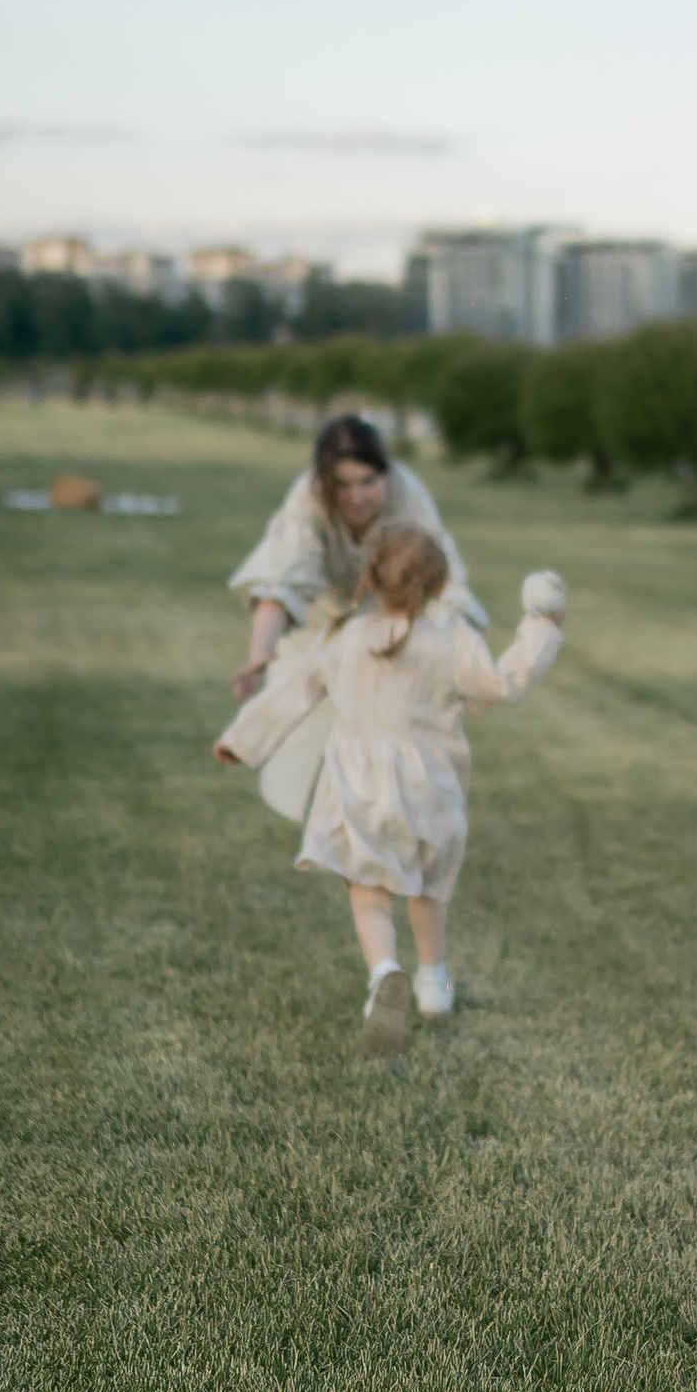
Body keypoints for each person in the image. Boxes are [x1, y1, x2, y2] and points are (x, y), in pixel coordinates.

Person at [217, 523, 567, 1054]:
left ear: (371, 579)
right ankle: (432, 982)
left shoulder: (342, 638)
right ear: (437, 583)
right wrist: (542, 626)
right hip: (431, 787)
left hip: (359, 788)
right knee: (429, 886)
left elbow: (293, 692)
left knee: (368, 889)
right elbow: (505, 684)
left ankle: (384, 971)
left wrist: (241, 741)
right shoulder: (454, 641)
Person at [224, 411, 485, 710]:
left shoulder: (409, 496)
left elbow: (444, 588)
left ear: (385, 472)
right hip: (317, 631)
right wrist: (260, 654)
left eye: (368, 482)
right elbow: (282, 578)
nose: (357, 498)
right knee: (295, 738)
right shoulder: (306, 500)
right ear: (323, 481)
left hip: (388, 633)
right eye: (343, 486)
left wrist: (463, 665)